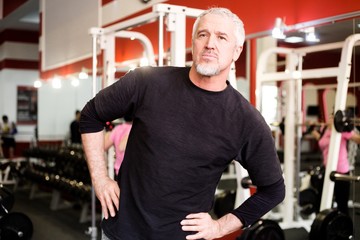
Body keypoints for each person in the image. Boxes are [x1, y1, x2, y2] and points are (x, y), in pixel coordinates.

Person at [80, 7, 285, 240]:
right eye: (203, 35)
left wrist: (219, 227)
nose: (210, 44)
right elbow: (90, 115)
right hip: (121, 232)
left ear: (237, 51)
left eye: (221, 37)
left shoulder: (246, 121)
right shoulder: (147, 82)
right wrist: (100, 178)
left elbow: (273, 190)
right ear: (194, 42)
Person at [309, 112, 360, 215]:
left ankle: (345, 229)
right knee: (321, 200)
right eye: (331, 116)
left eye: (333, 118)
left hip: (341, 172)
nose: (331, 119)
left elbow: (358, 140)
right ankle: (321, 225)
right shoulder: (324, 129)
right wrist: (312, 130)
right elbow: (322, 141)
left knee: (342, 205)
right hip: (327, 169)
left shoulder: (341, 131)